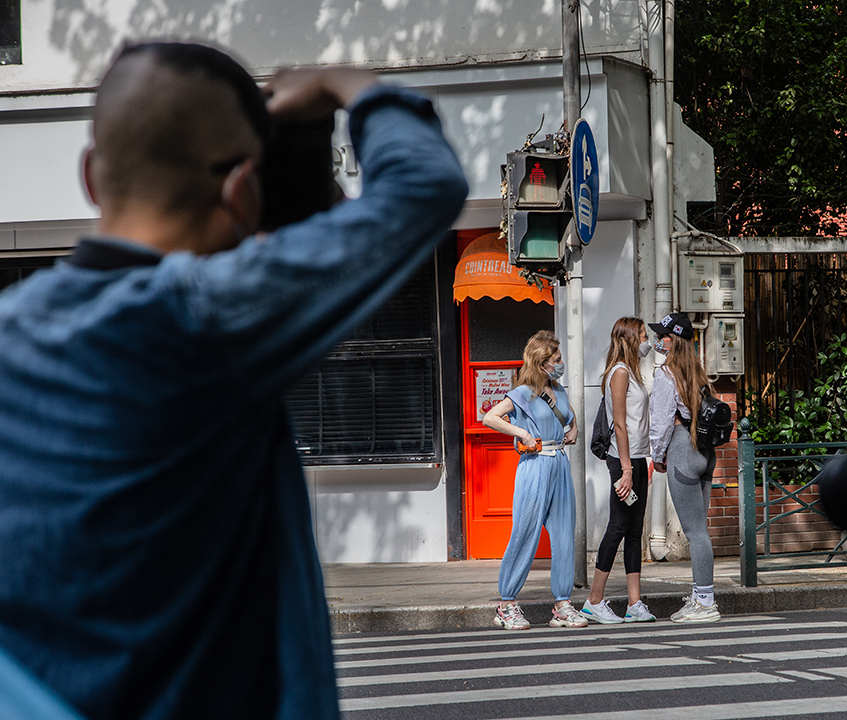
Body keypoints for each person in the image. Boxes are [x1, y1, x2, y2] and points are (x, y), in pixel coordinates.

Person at [0, 42, 468, 719]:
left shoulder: (12, 328)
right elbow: (424, 186)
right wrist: (344, 82)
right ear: (244, 191)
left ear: (92, 178)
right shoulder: (199, 317)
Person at [483, 330, 587, 630]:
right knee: (525, 532)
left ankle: (563, 604)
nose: (561, 363)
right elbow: (490, 417)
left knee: (564, 534)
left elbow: (568, 414)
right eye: (556, 359)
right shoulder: (522, 393)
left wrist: (574, 428)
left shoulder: (559, 389)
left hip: (560, 465)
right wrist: (521, 433)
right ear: (541, 363)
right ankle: (506, 604)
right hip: (535, 464)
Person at [581, 317, 657, 624]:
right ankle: (593, 600)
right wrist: (626, 470)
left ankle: (634, 603)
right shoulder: (620, 372)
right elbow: (621, 424)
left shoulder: (633, 373)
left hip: (637, 458)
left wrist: (644, 461)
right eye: (643, 336)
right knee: (617, 526)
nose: (647, 342)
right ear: (629, 339)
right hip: (622, 459)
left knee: (635, 530)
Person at [648, 312, 720, 623]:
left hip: (681, 450)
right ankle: (700, 595)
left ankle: (705, 602)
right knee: (700, 530)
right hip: (703, 452)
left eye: (662, 336)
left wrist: (657, 456)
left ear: (673, 340)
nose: (657, 340)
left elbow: (661, 423)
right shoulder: (698, 373)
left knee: (695, 532)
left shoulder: (666, 374)